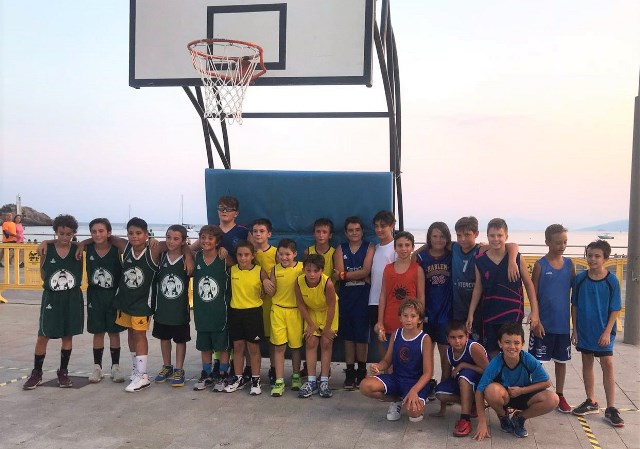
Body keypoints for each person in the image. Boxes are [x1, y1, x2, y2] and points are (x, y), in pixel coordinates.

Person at [23, 214, 83, 390]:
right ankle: (37, 373)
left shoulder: (78, 250)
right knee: (43, 335)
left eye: (69, 234)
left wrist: (79, 244)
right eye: (61, 233)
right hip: (52, 296)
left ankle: (63, 372)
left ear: (74, 234)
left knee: (67, 335)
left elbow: (94, 242)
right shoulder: (46, 249)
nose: (65, 238)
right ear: (55, 232)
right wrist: (47, 242)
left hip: (71, 297)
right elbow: (43, 274)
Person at [466, 218, 539, 358]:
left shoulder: (516, 258)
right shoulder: (480, 260)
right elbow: (478, 287)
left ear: (506, 236)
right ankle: (496, 379)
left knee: (512, 350)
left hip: (512, 313)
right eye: (492, 235)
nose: (496, 239)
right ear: (487, 236)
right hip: (490, 313)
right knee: (492, 351)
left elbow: (529, 285)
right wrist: (471, 313)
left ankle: (512, 379)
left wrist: (535, 311)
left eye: (500, 235)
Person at [473, 323, 558, 440]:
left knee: (553, 399)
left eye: (516, 343)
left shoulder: (528, 359)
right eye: (507, 342)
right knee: (491, 390)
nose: (512, 347)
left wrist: (522, 390)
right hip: (505, 396)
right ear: (500, 344)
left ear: (522, 344)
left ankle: (520, 418)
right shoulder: (496, 363)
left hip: (524, 394)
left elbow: (547, 382)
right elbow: (479, 391)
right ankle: (503, 416)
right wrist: (482, 423)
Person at [570, 240, 624, 427]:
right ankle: (591, 401)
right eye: (590, 255)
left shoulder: (611, 280)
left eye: (597, 256)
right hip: (585, 331)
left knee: (607, 364)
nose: (592, 259)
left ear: (606, 259)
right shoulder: (580, 279)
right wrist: (575, 330)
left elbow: (615, 308)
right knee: (587, 362)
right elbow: (574, 305)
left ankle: (611, 408)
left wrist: (607, 332)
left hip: (604, 332)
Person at [360, 299, 434, 423]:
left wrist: (414, 391)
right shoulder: (396, 334)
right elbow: (387, 360)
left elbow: (428, 373)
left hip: (415, 382)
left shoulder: (424, 339)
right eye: (405, 316)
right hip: (397, 378)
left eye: (413, 316)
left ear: (420, 319)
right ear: (400, 318)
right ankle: (396, 400)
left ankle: (416, 398)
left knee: (414, 414)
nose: (408, 319)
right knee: (365, 386)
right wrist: (378, 366)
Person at [528, 224, 575, 413]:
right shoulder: (540, 265)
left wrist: (575, 327)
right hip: (543, 325)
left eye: (564, 242)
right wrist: (535, 320)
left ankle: (560, 395)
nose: (561, 246)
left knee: (561, 362)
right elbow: (533, 295)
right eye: (557, 242)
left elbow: (574, 295)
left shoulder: (570, 265)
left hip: (562, 325)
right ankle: (532, 394)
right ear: (547, 242)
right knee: (535, 363)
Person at [333, 216, 374, 389]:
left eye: (357, 229)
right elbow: (339, 273)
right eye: (351, 230)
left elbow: (366, 270)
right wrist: (356, 275)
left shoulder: (370, 247)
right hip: (346, 297)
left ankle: (362, 371)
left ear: (362, 231)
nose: (354, 233)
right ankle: (350, 372)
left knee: (362, 337)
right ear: (345, 232)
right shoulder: (340, 249)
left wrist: (345, 275)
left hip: (364, 297)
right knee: (348, 337)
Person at [224, 240, 268, 395]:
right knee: (238, 348)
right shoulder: (232, 270)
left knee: (253, 348)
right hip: (236, 313)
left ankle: (256, 380)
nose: (243, 258)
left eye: (246, 255)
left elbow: (269, 287)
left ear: (252, 255)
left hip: (253, 313)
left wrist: (268, 284)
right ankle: (238, 378)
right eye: (240, 255)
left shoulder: (259, 270)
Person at [191, 225, 231, 392]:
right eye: (203, 237)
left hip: (220, 311)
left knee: (222, 346)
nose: (206, 241)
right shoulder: (196, 257)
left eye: (210, 238)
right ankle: (206, 374)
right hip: (202, 312)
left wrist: (226, 252)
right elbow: (184, 249)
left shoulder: (224, 259)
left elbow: (240, 266)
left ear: (217, 241)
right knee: (204, 346)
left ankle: (222, 374)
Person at [431, 320, 489, 437]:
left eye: (460, 337)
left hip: (481, 382)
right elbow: (446, 376)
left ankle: (465, 419)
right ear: (447, 339)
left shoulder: (473, 347)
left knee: (464, 376)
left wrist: (463, 365)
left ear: (467, 336)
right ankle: (472, 404)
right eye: (453, 337)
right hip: (464, 382)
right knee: (439, 392)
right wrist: (442, 409)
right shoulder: (448, 352)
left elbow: (488, 371)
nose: (457, 341)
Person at [415, 222, 454, 396]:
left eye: (442, 236)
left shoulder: (452, 255)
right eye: (434, 236)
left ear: (447, 238)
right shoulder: (422, 258)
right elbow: (409, 258)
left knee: (446, 356)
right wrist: (424, 247)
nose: (438, 240)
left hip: (446, 314)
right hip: (427, 313)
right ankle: (428, 384)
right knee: (426, 354)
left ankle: (445, 387)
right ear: (429, 238)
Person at [85, 218, 125, 384]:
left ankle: (115, 367)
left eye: (101, 231)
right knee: (98, 332)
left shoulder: (116, 249)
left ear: (109, 232)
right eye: (94, 231)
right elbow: (65, 242)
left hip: (114, 295)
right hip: (95, 296)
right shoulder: (86, 248)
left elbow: (127, 244)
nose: (97, 234)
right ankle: (97, 367)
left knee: (114, 332)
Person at [152, 225, 191, 387]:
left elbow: (192, 251)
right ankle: (167, 366)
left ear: (183, 241)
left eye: (176, 238)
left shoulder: (188, 258)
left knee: (180, 340)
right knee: (164, 338)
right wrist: (152, 241)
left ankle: (179, 369)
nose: (171, 241)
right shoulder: (160, 256)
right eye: (168, 237)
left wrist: (188, 253)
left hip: (180, 310)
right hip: (162, 309)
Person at [296, 254, 338, 398]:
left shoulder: (328, 283)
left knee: (326, 342)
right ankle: (312, 381)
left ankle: (324, 380)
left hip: (328, 312)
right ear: (303, 270)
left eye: (316, 270)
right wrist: (311, 325)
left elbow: (332, 306)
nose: (312, 274)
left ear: (321, 271)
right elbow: (301, 304)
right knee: (311, 341)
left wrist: (326, 329)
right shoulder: (299, 281)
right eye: (308, 270)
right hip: (311, 313)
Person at [376, 231, 424, 354]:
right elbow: (383, 296)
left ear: (413, 247)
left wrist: (420, 322)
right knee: (387, 360)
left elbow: (421, 297)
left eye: (407, 245)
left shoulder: (417, 270)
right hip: (389, 322)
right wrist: (380, 321)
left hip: (410, 324)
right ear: (395, 248)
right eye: (400, 245)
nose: (403, 249)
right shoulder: (388, 269)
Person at [268, 239, 304, 396]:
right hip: (278, 311)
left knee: (295, 347)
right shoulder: (274, 270)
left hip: (296, 312)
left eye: (287, 254)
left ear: (294, 254)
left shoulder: (302, 268)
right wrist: (264, 284)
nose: (284, 257)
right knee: (279, 347)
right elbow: (271, 291)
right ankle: (279, 380)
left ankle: (296, 375)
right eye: (281, 254)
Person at [251, 218, 278, 387]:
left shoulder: (276, 253)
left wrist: (269, 282)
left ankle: (274, 369)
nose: (258, 234)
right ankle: (250, 370)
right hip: (253, 303)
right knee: (252, 340)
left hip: (272, 303)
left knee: (273, 339)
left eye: (262, 231)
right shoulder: (248, 253)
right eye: (255, 231)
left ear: (269, 234)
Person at [368, 211, 396, 364]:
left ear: (392, 225)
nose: (379, 229)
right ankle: (385, 372)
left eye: (383, 226)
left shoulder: (396, 248)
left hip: (390, 302)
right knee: (380, 337)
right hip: (374, 300)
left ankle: (394, 372)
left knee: (392, 338)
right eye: (376, 226)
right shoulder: (376, 248)